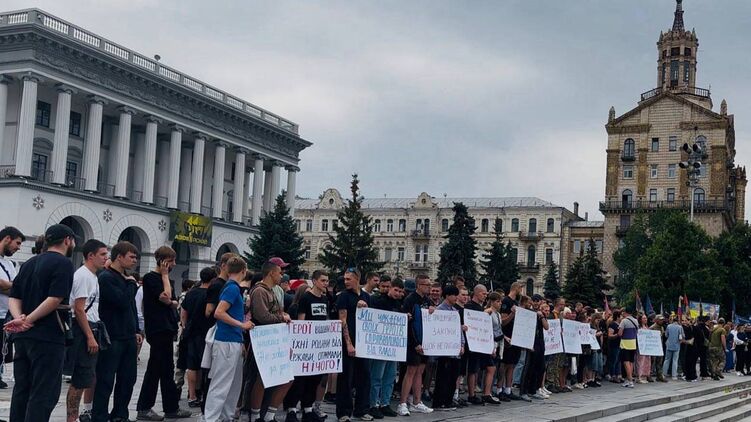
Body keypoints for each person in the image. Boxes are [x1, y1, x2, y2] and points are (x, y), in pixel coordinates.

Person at [6, 224, 75, 422]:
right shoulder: (63, 263)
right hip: (48, 335)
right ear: (67, 240)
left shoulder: (29, 263)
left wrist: (19, 318)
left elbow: (14, 296)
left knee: (22, 389)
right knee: (43, 392)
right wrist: (29, 319)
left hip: (23, 336)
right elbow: (55, 298)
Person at [135, 246, 191, 420]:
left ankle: (170, 407)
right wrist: (165, 276)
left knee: (166, 369)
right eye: (171, 261)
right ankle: (145, 407)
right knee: (155, 369)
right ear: (162, 261)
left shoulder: (164, 279)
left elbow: (172, 301)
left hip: (166, 328)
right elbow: (166, 296)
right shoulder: (151, 278)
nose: (173, 264)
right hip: (157, 328)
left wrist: (171, 301)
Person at [91, 241, 142, 422]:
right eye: (131, 257)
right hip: (112, 336)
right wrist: (132, 285)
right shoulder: (106, 278)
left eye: (136, 257)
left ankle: (120, 414)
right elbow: (121, 301)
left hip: (128, 336)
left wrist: (136, 329)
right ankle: (99, 416)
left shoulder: (126, 278)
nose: (134, 260)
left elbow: (131, 307)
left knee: (127, 379)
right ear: (119, 257)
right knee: (106, 380)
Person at [204, 256, 255, 422]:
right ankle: (212, 418)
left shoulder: (231, 287)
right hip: (227, 340)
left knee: (233, 383)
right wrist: (242, 325)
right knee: (222, 382)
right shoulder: (232, 288)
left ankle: (225, 416)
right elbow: (219, 312)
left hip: (232, 340)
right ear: (243, 271)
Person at [66, 239, 108, 422]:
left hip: (90, 326)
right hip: (84, 328)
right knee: (81, 377)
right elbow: (79, 309)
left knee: (86, 376)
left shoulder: (92, 276)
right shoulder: (83, 276)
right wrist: (90, 336)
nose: (106, 258)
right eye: (102, 254)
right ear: (90, 255)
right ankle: (72, 418)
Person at [246, 260, 292, 422]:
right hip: (264, 340)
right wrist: (281, 318)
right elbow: (262, 316)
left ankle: (269, 415)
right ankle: (256, 415)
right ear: (271, 273)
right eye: (279, 272)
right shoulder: (260, 291)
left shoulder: (271, 291)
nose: (282, 276)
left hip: (274, 339)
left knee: (286, 378)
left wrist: (282, 316)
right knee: (262, 378)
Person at [284, 270, 331, 422]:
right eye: (323, 280)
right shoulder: (306, 298)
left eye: (327, 281)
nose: (325, 283)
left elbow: (325, 319)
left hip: (318, 345)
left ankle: (308, 408)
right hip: (305, 344)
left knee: (314, 378)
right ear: (315, 281)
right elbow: (301, 321)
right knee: (300, 379)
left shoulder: (325, 299)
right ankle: (291, 408)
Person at [336, 268, 373, 422]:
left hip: (363, 343)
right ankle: (343, 412)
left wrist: (366, 307)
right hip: (349, 342)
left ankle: (362, 409)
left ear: (357, 278)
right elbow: (342, 320)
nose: (346, 282)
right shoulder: (344, 296)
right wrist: (349, 344)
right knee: (346, 378)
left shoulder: (366, 296)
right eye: (345, 279)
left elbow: (371, 318)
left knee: (364, 377)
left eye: (349, 279)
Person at [178, 266, 216, 408]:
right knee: (204, 366)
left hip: (191, 332)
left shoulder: (191, 292)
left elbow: (183, 312)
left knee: (192, 366)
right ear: (213, 279)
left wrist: (184, 326)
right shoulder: (211, 294)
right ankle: (201, 393)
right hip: (206, 333)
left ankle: (192, 395)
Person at [397, 274, 434, 416]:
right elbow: (408, 323)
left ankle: (416, 401)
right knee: (410, 371)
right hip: (413, 342)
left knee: (420, 371)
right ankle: (402, 403)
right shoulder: (410, 300)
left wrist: (433, 310)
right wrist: (415, 343)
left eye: (430, 284)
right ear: (419, 285)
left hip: (425, 342)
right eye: (426, 285)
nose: (429, 287)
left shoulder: (428, 300)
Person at [369, 277, 405, 419]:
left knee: (390, 377)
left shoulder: (399, 304)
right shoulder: (377, 301)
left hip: (393, 347)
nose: (398, 293)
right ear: (390, 288)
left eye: (400, 291)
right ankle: (373, 404)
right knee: (377, 376)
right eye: (396, 290)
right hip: (380, 345)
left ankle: (385, 403)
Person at [465, 284, 500, 405]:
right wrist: (484, 313)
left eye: (486, 294)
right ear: (476, 293)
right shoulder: (469, 306)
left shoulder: (481, 307)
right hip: (473, 343)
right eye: (483, 294)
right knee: (473, 369)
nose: (485, 296)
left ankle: (486, 394)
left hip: (482, 343)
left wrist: (491, 346)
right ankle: (472, 394)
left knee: (490, 367)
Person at [432, 285, 465, 411]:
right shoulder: (440, 310)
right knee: (443, 377)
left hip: (455, 350)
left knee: (453, 376)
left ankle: (448, 401)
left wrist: (462, 344)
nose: (456, 297)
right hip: (444, 351)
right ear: (447, 296)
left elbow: (458, 330)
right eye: (454, 295)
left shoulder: (455, 311)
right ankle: (439, 402)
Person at [0, 226, 25, 389]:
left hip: (5, 316)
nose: (18, 248)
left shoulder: (9, 264)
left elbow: (17, 287)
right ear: (7, 239)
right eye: (17, 243)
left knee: (3, 353)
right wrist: (10, 287)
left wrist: (7, 286)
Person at [499, 282, 524, 400]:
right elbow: (503, 321)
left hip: (516, 337)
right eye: (521, 289)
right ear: (516, 288)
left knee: (512, 364)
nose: (521, 292)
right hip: (507, 336)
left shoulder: (516, 303)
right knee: (504, 364)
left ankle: (508, 389)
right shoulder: (506, 301)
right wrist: (513, 313)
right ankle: (499, 389)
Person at [618, 306, 639, 388]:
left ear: (625, 312)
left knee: (626, 362)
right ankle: (628, 379)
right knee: (631, 362)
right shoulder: (636, 321)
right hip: (633, 343)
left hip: (625, 344)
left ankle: (630, 380)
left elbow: (620, 333)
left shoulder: (624, 321)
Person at [663, 315, 684, 380]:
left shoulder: (668, 326)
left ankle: (664, 374)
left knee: (667, 359)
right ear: (678, 321)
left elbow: (666, 335)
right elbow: (682, 336)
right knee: (675, 360)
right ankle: (674, 375)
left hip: (669, 345)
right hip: (677, 345)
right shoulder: (680, 327)